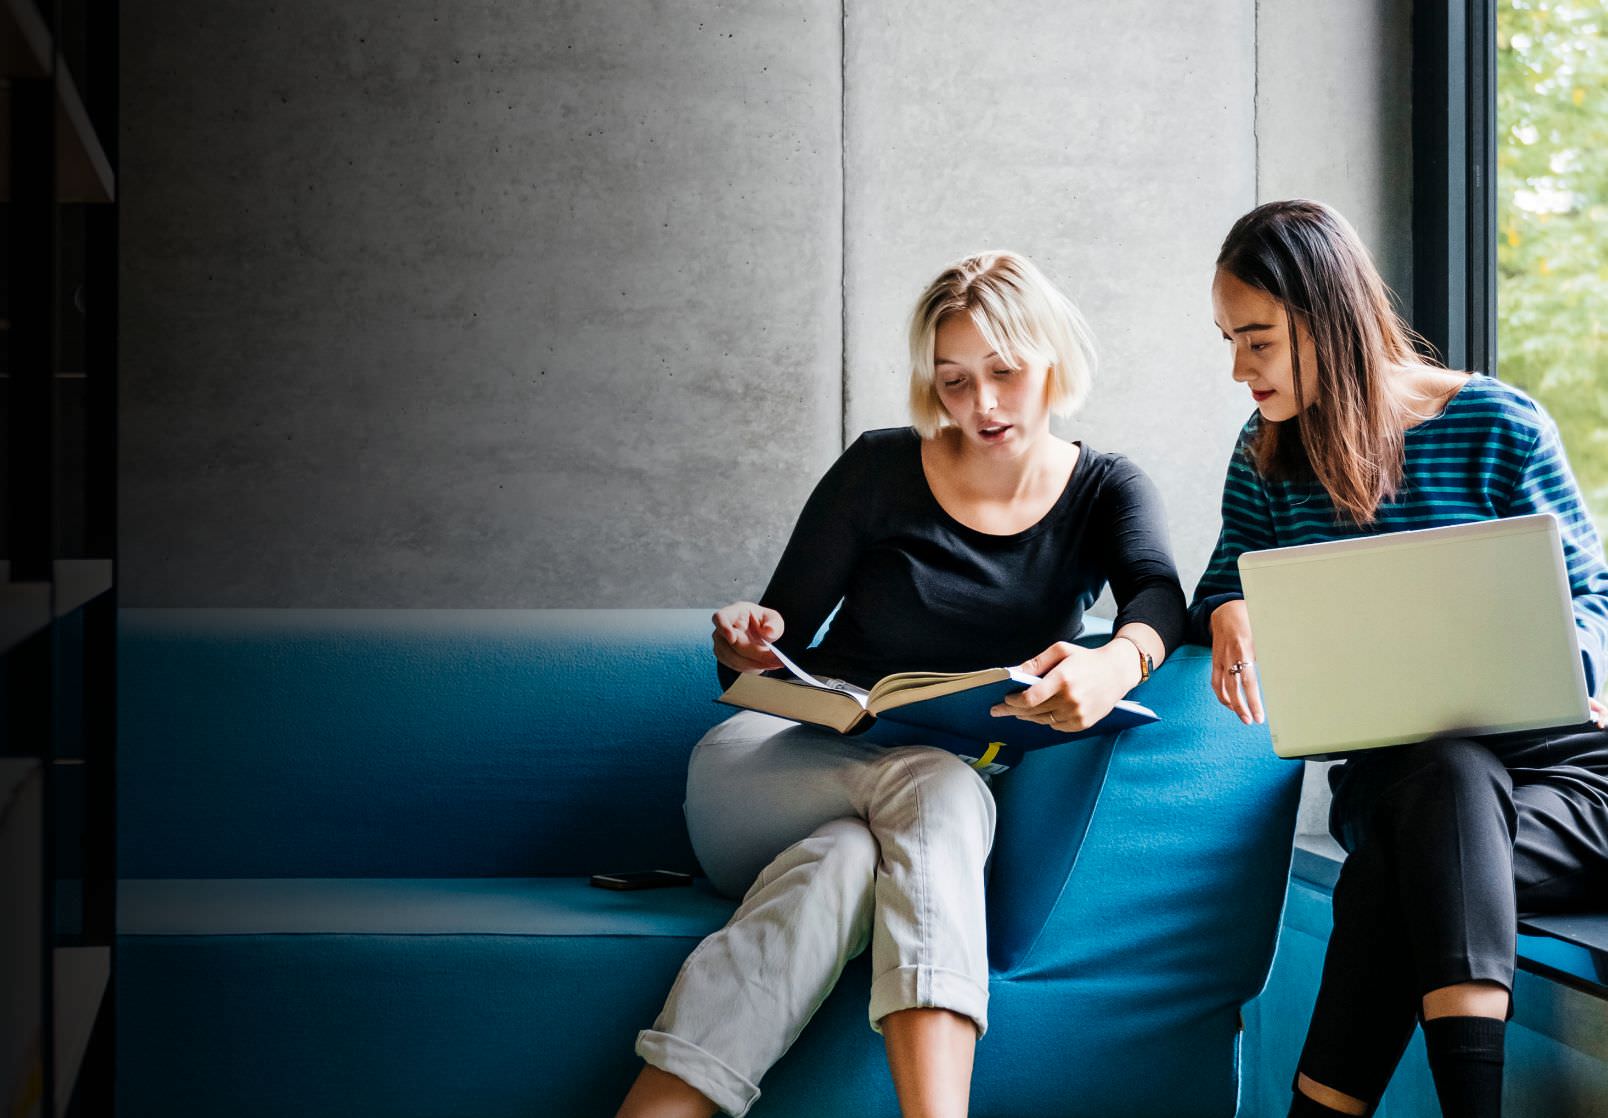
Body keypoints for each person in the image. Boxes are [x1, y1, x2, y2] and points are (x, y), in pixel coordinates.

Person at [614, 250, 1187, 1118]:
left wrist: (1117, 661)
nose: (981, 404)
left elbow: (1157, 594)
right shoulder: (879, 467)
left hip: (901, 822)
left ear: (1053, 361)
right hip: (765, 774)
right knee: (938, 780)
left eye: (1003, 372)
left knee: (845, 865)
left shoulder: (1105, 488)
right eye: (955, 380)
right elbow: (773, 642)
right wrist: (747, 639)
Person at [1190, 199, 1608, 1118]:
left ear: (1324, 315)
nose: (1237, 368)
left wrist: (1573, 658)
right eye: (1228, 339)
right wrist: (1225, 611)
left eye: (1256, 340)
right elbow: (1224, 582)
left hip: (1565, 778)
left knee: (1410, 862)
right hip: (1399, 779)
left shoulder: (1501, 422)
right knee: (1442, 787)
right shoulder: (1266, 456)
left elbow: (1594, 598)